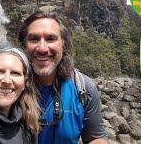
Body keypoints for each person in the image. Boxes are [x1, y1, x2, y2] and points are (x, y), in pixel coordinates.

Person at [18, 10, 108, 144]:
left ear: (63, 45)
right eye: (34, 39)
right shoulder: (10, 86)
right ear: (24, 46)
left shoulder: (83, 88)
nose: (42, 48)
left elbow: (96, 137)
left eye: (51, 39)